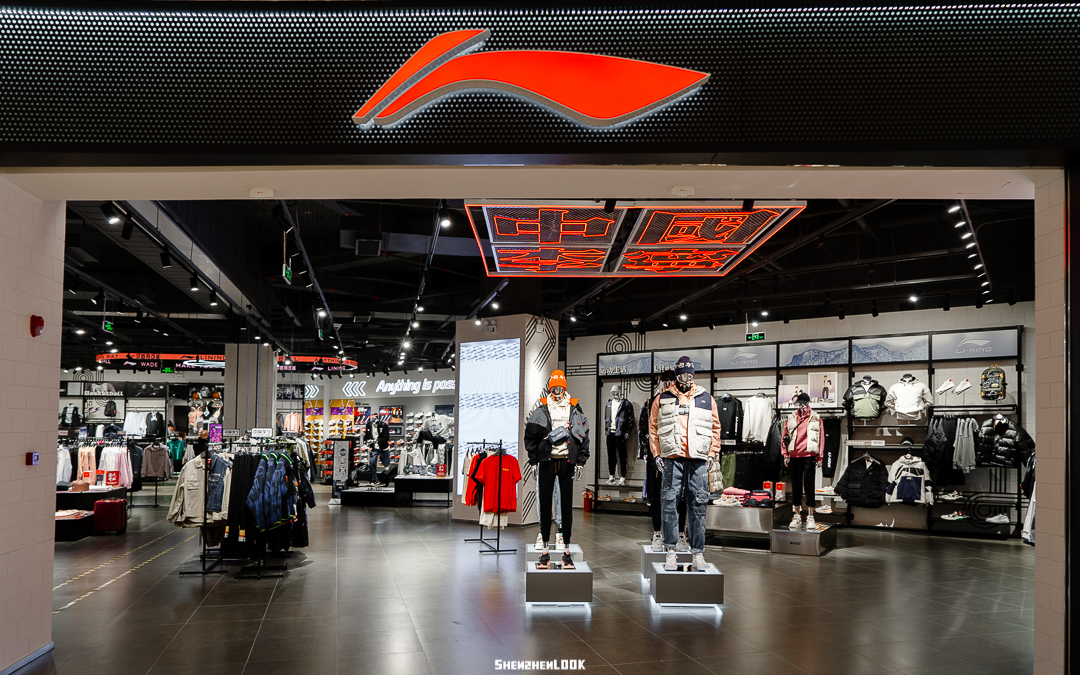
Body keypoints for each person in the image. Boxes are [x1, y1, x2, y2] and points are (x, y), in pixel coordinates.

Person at [648, 356, 722, 571]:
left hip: (698, 459)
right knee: (669, 504)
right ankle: (670, 551)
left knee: (698, 505)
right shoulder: (662, 398)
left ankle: (697, 552)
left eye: (688, 375)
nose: (685, 379)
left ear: (693, 375)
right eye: (681, 375)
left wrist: (712, 453)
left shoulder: (706, 399)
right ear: (676, 376)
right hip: (672, 458)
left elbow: (715, 429)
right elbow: (653, 429)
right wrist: (657, 454)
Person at [524, 370, 590, 569]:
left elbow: (584, 434)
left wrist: (581, 461)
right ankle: (544, 549)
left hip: (567, 462)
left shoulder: (574, 407)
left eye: (561, 387)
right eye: (555, 387)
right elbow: (531, 435)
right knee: (545, 504)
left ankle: (566, 549)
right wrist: (533, 461)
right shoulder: (542, 407)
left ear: (565, 388)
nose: (558, 391)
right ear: (550, 388)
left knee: (566, 505)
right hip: (547, 461)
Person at [639, 370, 688, 552]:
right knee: (656, 494)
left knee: (680, 494)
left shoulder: (682, 400)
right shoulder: (652, 402)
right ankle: (657, 533)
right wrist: (648, 453)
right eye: (665, 381)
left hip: (679, 453)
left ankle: (680, 534)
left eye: (671, 381)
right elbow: (644, 430)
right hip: (657, 456)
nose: (668, 384)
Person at [782, 392, 824, 530]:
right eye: (799, 403)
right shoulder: (791, 417)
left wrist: (820, 456)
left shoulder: (816, 417)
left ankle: (811, 515)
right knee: (796, 486)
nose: (801, 406)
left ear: (808, 403)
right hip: (794, 455)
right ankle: (797, 515)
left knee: (809, 485)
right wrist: (785, 454)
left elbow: (821, 438)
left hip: (809, 455)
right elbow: (784, 437)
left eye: (803, 403)